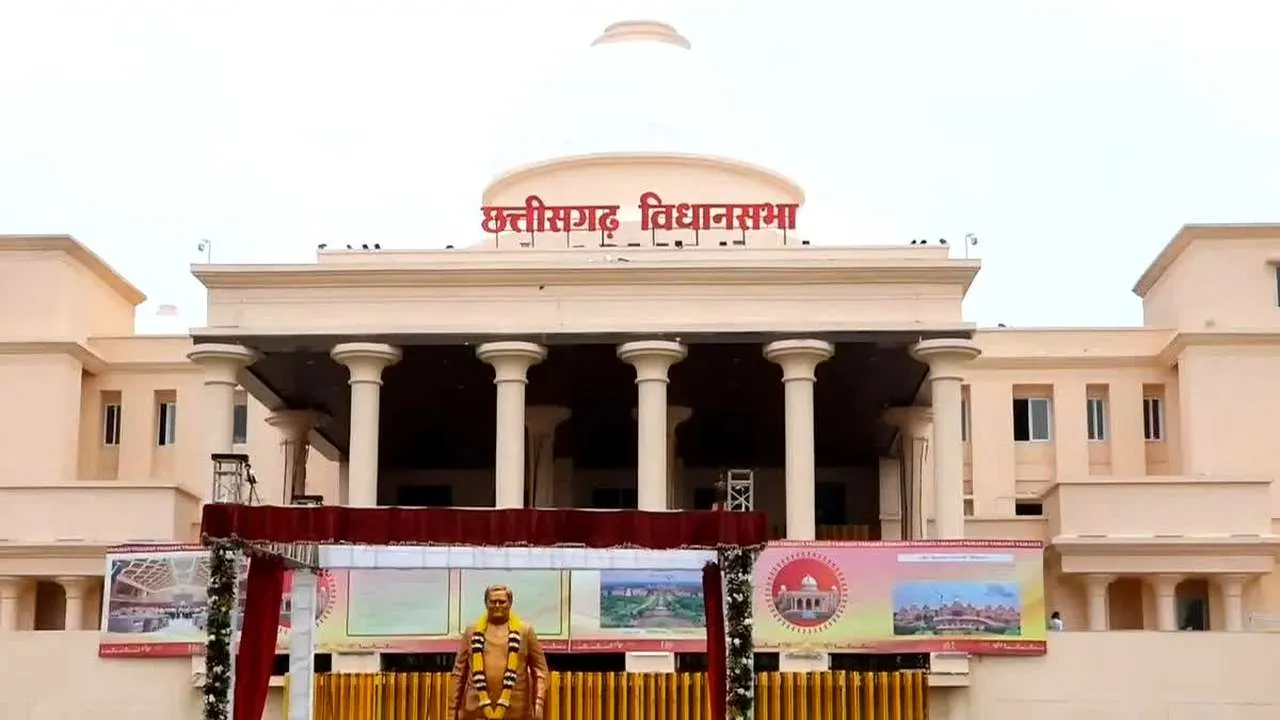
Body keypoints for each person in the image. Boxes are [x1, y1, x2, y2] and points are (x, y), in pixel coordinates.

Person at [449, 584, 549, 720]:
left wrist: (539, 703)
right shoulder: (471, 632)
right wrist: (452, 711)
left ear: (510, 603)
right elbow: (459, 673)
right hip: (476, 711)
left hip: (516, 712)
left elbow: (540, 671)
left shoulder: (525, 631)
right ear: (486, 603)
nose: (497, 605)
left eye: (502, 602)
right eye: (493, 602)